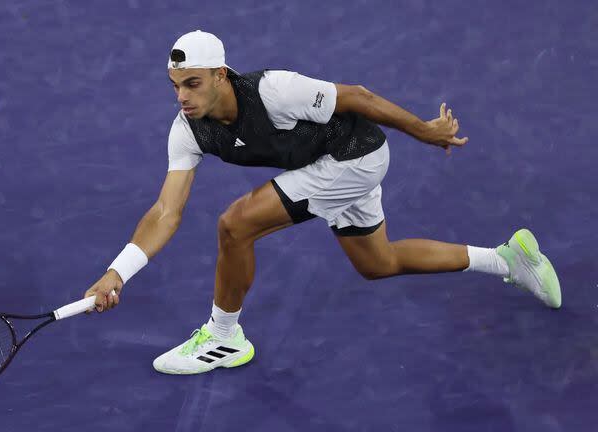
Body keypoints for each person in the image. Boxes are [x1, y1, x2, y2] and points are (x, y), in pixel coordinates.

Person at [84, 30, 561, 375]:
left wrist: (425, 130)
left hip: (357, 157)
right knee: (379, 262)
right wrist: (116, 272)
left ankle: (224, 337)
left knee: (236, 224)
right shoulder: (186, 131)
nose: (182, 97)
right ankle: (508, 259)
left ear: (220, 76)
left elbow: (357, 97)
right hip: (326, 170)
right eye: (175, 85)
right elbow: (166, 211)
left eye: (192, 83)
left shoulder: (273, 90)